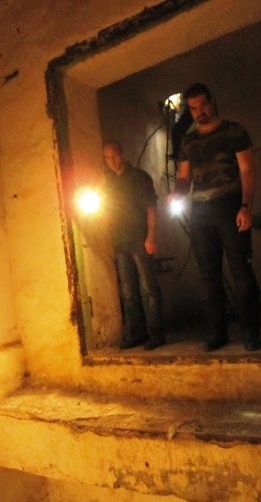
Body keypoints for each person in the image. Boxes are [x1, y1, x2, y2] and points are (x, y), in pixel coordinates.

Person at [169, 83, 261, 351]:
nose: (200, 112)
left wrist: (245, 206)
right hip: (200, 210)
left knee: (240, 269)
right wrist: (176, 194)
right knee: (208, 276)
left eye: (203, 106)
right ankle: (217, 332)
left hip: (230, 205)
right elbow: (184, 178)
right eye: (193, 108)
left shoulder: (234, 131)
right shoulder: (188, 141)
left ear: (212, 102)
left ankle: (251, 331)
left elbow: (247, 170)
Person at [102, 140, 165, 350]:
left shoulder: (138, 177)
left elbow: (150, 207)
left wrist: (151, 235)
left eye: (114, 155)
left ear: (122, 154)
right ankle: (137, 333)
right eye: (107, 158)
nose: (112, 161)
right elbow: (108, 210)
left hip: (139, 238)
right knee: (128, 290)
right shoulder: (108, 182)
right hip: (120, 240)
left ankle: (156, 333)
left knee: (148, 288)